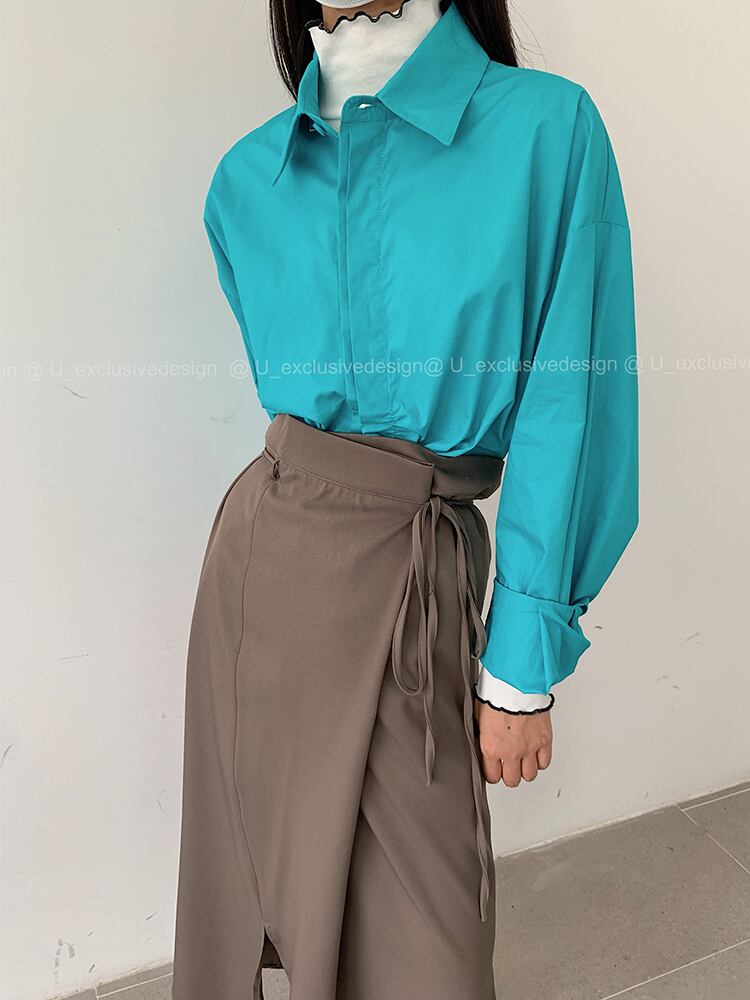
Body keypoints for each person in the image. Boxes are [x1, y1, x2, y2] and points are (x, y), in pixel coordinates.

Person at [172, 1, 639, 997]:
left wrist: (520, 667)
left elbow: (574, 404)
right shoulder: (246, 180)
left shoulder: (547, 131)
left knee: (428, 956)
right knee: (261, 916)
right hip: (260, 584)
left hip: (415, 575)